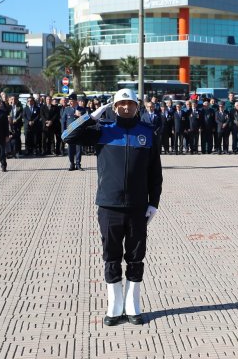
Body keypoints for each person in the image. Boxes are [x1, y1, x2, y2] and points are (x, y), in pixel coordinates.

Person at [62, 88, 162, 326]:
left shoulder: (148, 134)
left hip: (138, 207)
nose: (126, 108)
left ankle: (133, 306)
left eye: (131, 104)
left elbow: (155, 173)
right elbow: (67, 135)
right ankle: (115, 307)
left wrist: (153, 203)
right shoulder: (102, 131)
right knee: (111, 256)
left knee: (136, 257)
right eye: (121, 104)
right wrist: (91, 116)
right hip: (109, 204)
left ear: (137, 107)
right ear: (114, 107)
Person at [61, 94, 85, 170]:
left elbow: (86, 120)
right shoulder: (67, 109)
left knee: (78, 149)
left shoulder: (82, 109)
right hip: (70, 133)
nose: (70, 103)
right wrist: (63, 132)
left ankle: (78, 164)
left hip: (79, 133)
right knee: (70, 149)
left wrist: (80, 116)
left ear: (76, 101)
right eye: (70, 101)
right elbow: (63, 121)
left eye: (72, 101)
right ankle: (72, 164)